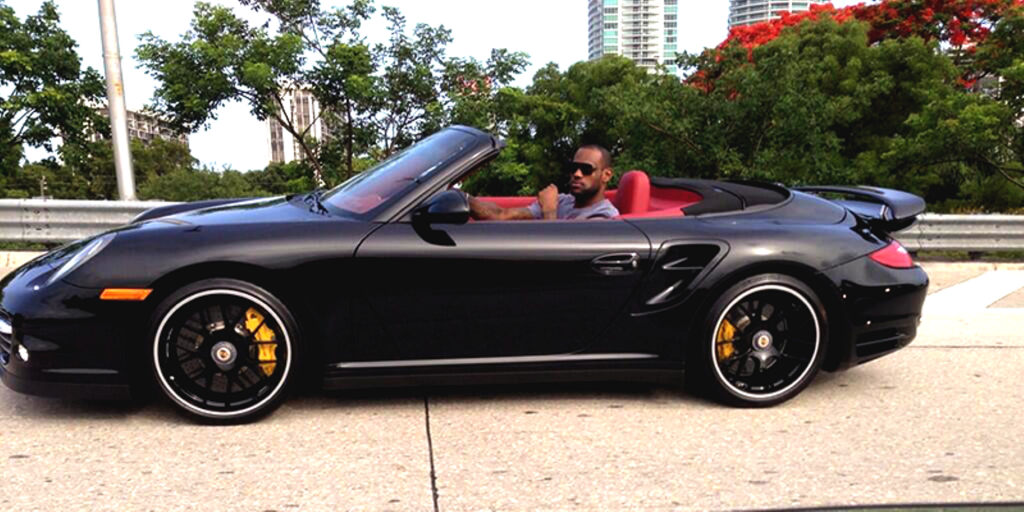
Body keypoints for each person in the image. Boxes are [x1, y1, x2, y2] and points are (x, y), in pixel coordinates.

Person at [468, 145, 620, 221]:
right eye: (573, 168)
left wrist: (549, 211)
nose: (577, 174)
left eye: (586, 169)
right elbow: (502, 215)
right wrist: (464, 200)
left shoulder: (604, 216)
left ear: (606, 175)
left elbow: (559, 255)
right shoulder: (562, 201)